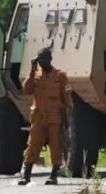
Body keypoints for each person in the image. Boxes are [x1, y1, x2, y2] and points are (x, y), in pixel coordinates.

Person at [19, 48, 74, 186]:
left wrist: (68, 114)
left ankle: (54, 175)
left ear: (50, 60)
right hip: (38, 117)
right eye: (39, 60)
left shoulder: (60, 76)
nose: (42, 63)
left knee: (56, 145)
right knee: (33, 145)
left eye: (44, 60)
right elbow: (26, 90)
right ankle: (26, 175)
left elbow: (67, 96)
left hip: (55, 118)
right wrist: (32, 71)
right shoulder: (35, 75)